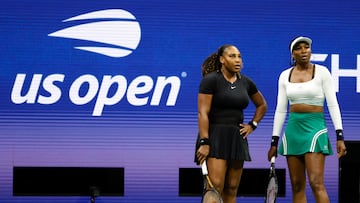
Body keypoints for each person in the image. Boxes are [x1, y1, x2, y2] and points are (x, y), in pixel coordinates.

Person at [267, 36, 347, 203]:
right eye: (298, 48)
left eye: (306, 47)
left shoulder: (323, 72)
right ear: (292, 54)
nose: (304, 51)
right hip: (293, 130)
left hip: (315, 128)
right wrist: (274, 141)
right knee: (297, 185)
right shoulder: (284, 76)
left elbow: (333, 105)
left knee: (316, 182)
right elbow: (281, 110)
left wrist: (340, 136)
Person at [196, 44, 267, 203]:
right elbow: (203, 113)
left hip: (237, 138)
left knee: (232, 189)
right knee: (215, 188)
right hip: (215, 137)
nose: (237, 60)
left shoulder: (246, 82)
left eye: (239, 56)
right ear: (222, 59)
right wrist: (204, 142)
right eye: (232, 56)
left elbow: (262, 105)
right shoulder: (211, 80)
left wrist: (252, 124)